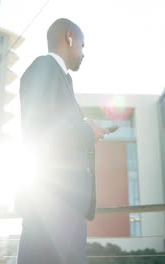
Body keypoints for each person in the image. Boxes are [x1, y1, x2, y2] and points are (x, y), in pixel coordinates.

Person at [15, 18, 109, 264]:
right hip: (52, 206)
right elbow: (42, 131)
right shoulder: (44, 67)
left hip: (62, 207)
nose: (83, 52)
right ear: (69, 37)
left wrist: (86, 129)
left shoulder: (59, 77)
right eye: (82, 44)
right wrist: (88, 131)